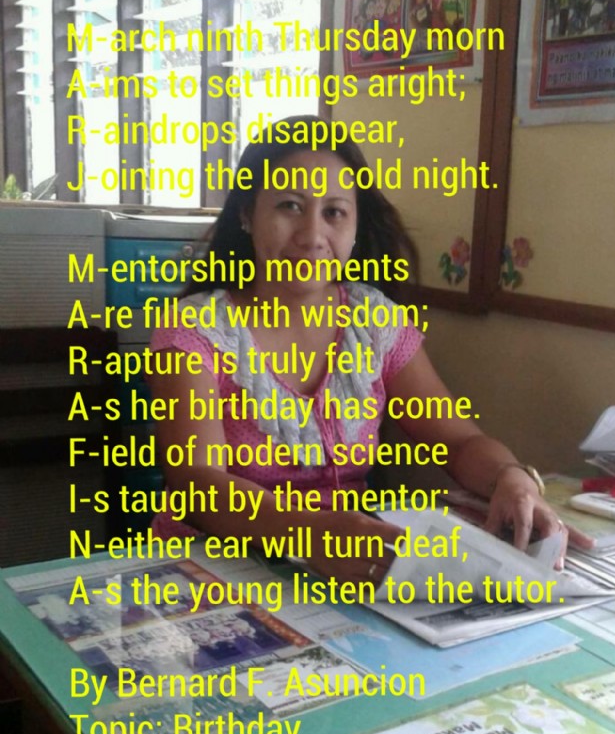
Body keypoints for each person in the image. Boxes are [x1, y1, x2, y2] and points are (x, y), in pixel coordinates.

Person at [148, 116, 585, 588]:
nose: (312, 235)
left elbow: (458, 442)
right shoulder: (195, 331)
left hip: (344, 570)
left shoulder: (373, 322)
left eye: (334, 212)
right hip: (211, 569)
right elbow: (198, 483)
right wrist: (309, 535)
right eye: (290, 206)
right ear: (246, 215)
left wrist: (511, 478)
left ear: (356, 226)